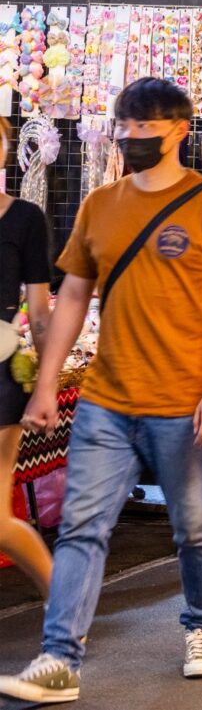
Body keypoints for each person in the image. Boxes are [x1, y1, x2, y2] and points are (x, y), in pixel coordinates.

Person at [0, 78, 202, 702]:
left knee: (195, 527)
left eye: (146, 127)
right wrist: (44, 381)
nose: (133, 137)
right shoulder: (100, 204)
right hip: (105, 401)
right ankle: (59, 658)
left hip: (184, 400)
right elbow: (70, 299)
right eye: (126, 125)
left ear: (179, 130)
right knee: (84, 528)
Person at [0, 119, 53, 598]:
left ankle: (64, 606)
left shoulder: (25, 219)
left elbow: (40, 314)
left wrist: (45, 382)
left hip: (2, 376)